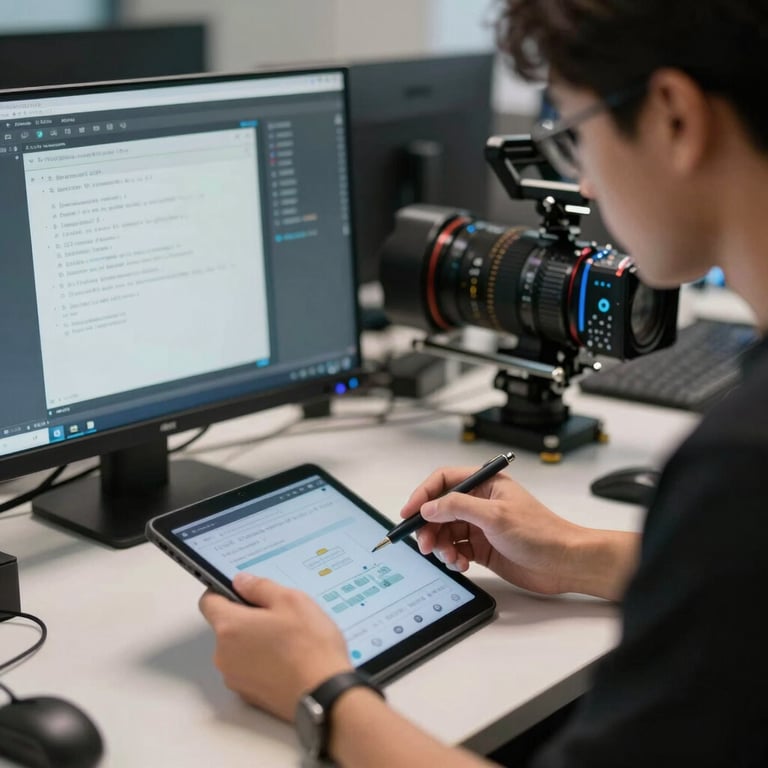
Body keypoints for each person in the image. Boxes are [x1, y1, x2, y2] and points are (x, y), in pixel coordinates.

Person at [199, 0, 768, 765]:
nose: (587, 185)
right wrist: (577, 553)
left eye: (574, 136)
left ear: (673, 116)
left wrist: (321, 693)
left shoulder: (742, 467)